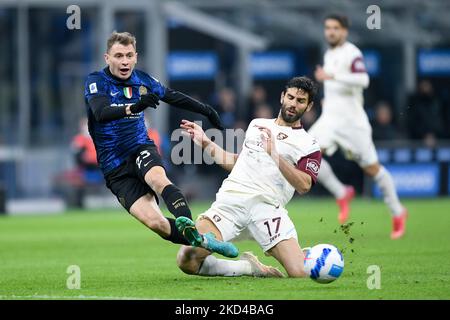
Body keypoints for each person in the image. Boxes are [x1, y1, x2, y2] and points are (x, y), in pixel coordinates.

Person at [84, 31, 237, 258]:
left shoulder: (143, 80)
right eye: (118, 56)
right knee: (157, 224)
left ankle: (188, 220)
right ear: (107, 58)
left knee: (157, 179)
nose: (124, 61)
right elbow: (101, 112)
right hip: (114, 167)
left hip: (139, 148)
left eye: (128, 55)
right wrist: (133, 107)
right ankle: (205, 240)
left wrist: (207, 110)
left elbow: (173, 96)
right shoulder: (96, 81)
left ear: (136, 57)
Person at [175, 77, 321, 278]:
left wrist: (275, 155)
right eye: (291, 97)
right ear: (282, 97)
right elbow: (238, 163)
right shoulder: (257, 124)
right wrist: (206, 143)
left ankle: (313, 254)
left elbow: (304, 185)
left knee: (300, 272)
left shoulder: (308, 144)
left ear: (309, 105)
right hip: (230, 204)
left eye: (300, 101)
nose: (293, 104)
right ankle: (248, 268)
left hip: (267, 209)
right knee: (186, 259)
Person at [310, 14, 408, 239]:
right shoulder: (329, 53)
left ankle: (398, 211)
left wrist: (332, 76)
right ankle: (341, 192)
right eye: (328, 28)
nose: (330, 32)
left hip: (353, 123)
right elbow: (335, 87)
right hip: (330, 119)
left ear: (344, 31)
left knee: (372, 169)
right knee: (306, 155)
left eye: (335, 28)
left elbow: (363, 80)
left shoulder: (352, 53)